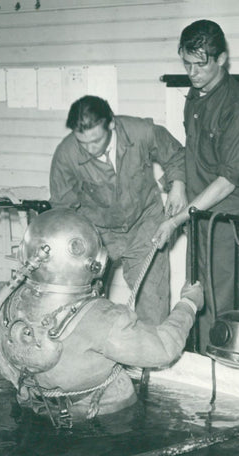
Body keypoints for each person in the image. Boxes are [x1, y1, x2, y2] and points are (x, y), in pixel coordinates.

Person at [0, 208, 203, 426]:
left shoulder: (2, 298)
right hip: (104, 419)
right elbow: (164, 349)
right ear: (96, 262)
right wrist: (189, 303)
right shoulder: (104, 319)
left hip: (34, 412)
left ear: (24, 253)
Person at [153, 19, 239, 353]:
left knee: (222, 303)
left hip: (227, 220)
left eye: (200, 65)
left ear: (222, 58)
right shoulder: (196, 97)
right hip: (199, 216)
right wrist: (178, 183)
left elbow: (229, 179)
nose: (192, 73)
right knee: (196, 293)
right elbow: (192, 151)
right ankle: (201, 364)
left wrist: (176, 219)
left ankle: (224, 372)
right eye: (186, 64)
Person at [50, 95, 186, 325]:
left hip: (145, 224)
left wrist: (179, 185)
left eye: (96, 140)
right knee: (85, 304)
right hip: (97, 232)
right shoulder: (66, 154)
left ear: (111, 123)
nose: (90, 149)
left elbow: (175, 155)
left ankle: (149, 359)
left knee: (152, 302)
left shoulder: (141, 131)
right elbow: (63, 208)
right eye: (83, 142)